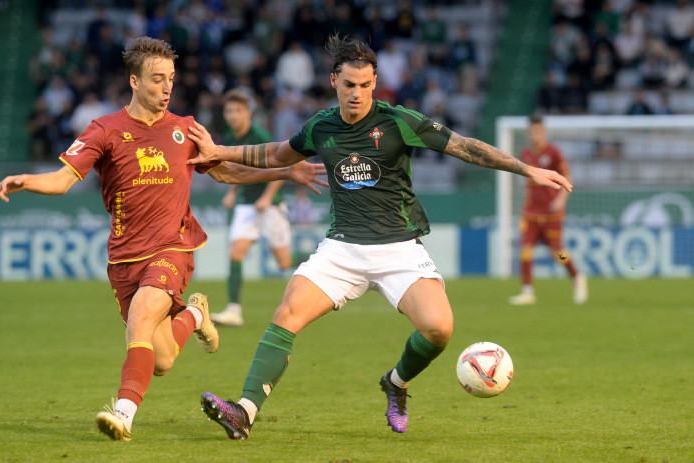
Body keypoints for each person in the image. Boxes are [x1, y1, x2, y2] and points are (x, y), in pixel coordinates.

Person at [186, 34, 572, 440]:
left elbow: (464, 147)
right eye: (350, 85)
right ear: (334, 80)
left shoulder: (398, 121)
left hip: (399, 249)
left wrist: (527, 170)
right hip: (342, 248)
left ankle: (396, 383)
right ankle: (243, 412)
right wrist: (221, 151)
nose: (358, 93)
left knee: (440, 329)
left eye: (366, 85)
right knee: (286, 314)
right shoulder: (321, 126)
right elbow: (277, 154)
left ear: (375, 83)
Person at [0, 37, 327, 442]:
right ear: (134, 81)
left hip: (173, 248)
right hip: (124, 259)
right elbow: (64, 179)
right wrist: (28, 181)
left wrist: (284, 172)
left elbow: (224, 172)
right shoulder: (105, 130)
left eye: (171, 79)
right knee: (163, 358)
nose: (167, 88)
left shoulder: (186, 129)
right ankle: (197, 315)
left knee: (140, 320)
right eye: (157, 80)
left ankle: (122, 414)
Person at [211, 89, 292, 327]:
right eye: (229, 111)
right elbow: (238, 170)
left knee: (284, 263)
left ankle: (321, 255)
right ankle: (234, 310)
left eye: (237, 111)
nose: (233, 116)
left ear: (248, 113)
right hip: (247, 205)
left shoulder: (259, 135)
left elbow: (280, 168)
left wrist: (267, 197)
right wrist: (232, 191)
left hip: (270, 206)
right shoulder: (231, 137)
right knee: (235, 253)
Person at [508, 114, 587, 306]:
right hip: (531, 213)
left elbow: (567, 176)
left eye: (539, 131)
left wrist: (560, 200)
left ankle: (577, 277)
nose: (536, 135)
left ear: (544, 132)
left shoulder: (553, 153)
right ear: (529, 133)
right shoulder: (525, 154)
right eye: (533, 131)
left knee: (557, 253)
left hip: (551, 213)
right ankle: (528, 292)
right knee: (525, 249)